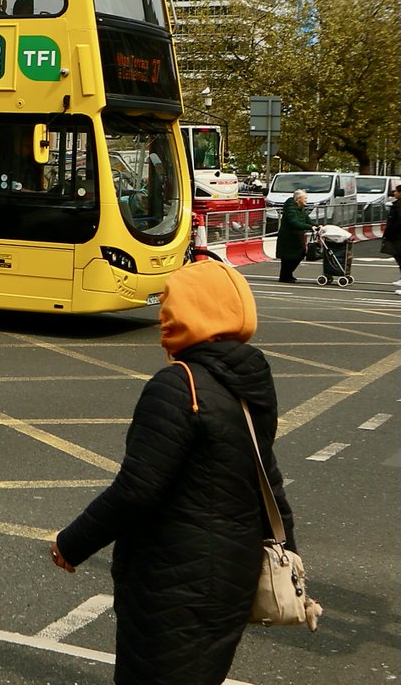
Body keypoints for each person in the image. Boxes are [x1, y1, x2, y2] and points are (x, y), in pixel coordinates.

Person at [50, 260, 297, 685]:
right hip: (231, 575)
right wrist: (289, 550)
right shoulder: (249, 377)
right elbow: (265, 474)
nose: (162, 315)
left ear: (203, 310)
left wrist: (71, 544)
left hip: (175, 579)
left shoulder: (178, 384)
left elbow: (137, 488)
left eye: (173, 304)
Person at [276, 188, 312, 283]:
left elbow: (306, 219)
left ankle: (288, 274)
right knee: (287, 258)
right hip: (288, 237)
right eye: (305, 198)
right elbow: (294, 222)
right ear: (298, 199)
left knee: (299, 254)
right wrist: (310, 227)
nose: (306, 200)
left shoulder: (301, 208)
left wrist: (315, 225)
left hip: (296, 237)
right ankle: (285, 276)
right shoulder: (290, 208)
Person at [383, 184, 401, 293]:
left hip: (398, 236)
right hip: (397, 235)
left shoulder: (399, 205)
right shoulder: (397, 204)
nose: (394, 193)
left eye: (396, 191)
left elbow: (399, 221)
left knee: (399, 256)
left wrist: (390, 233)